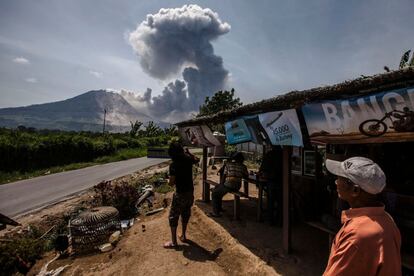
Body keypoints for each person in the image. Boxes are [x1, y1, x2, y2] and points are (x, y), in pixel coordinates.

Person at [323, 157, 401, 276]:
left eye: (340, 178)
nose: (336, 182)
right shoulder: (387, 219)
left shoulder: (356, 235)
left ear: (355, 190)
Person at [164, 142, 199, 249]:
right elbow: (197, 159)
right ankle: (183, 235)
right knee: (185, 213)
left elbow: (171, 183)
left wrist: (167, 180)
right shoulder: (188, 159)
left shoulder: (173, 165)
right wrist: (188, 152)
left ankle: (174, 242)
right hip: (190, 193)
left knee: (173, 217)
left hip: (180, 194)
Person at [210, 152, 248, 217]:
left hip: (229, 185)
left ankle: (216, 213)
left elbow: (224, 176)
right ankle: (219, 209)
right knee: (217, 189)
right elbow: (246, 176)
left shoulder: (228, 165)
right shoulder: (243, 166)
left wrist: (221, 185)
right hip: (237, 186)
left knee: (214, 194)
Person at [258, 145, 283, 225]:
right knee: (280, 202)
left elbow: (262, 168)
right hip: (281, 181)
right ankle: (280, 220)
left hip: (271, 181)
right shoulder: (284, 154)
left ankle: (270, 220)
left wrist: (262, 174)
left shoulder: (269, 154)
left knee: (270, 201)